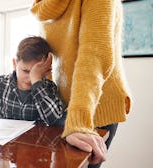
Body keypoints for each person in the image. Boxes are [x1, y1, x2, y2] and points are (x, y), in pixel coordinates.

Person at [30, 0, 132, 167]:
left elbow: (94, 56)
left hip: (94, 106)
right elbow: (46, 63)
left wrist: (79, 122)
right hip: (63, 107)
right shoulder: (42, 6)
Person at [0, 36, 66, 133]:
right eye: (26, 71)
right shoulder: (2, 82)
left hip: (35, 144)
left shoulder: (49, 87)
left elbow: (53, 119)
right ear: (15, 64)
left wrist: (37, 81)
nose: (30, 78)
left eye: (36, 73)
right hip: (7, 143)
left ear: (46, 71)